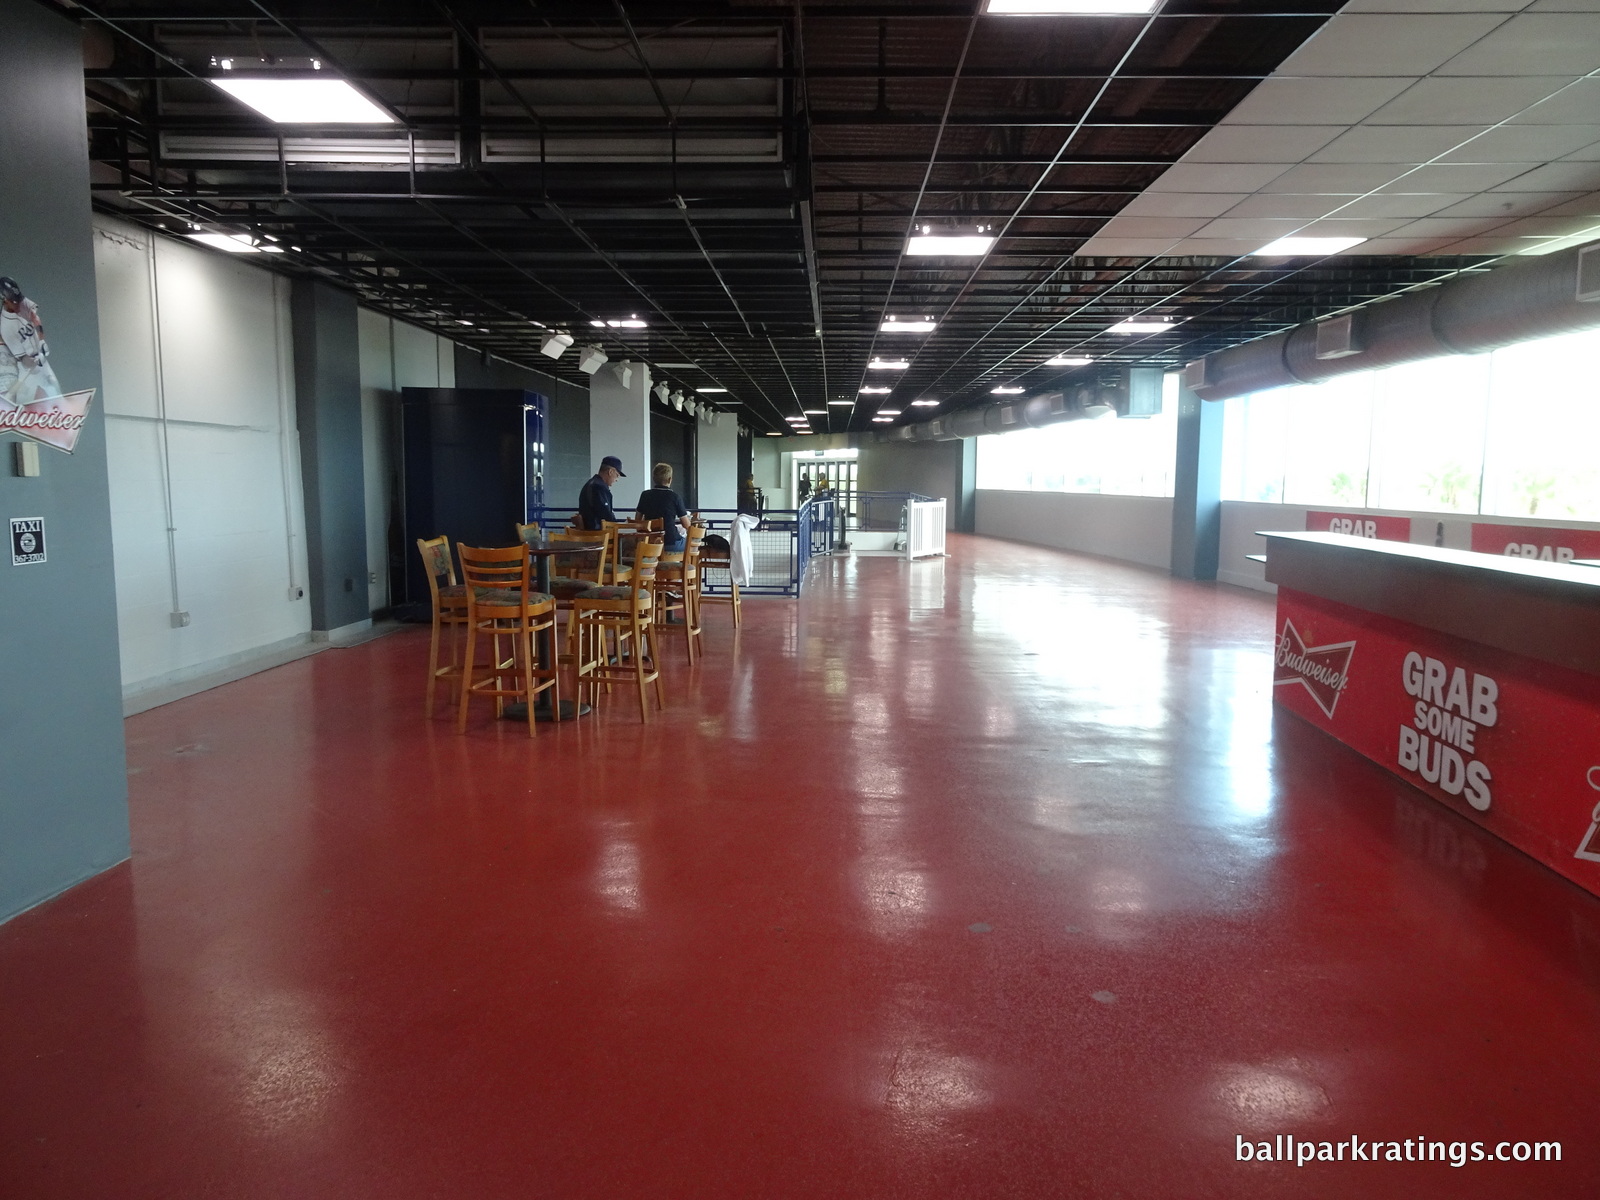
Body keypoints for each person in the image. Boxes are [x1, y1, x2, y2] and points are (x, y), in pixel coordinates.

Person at [0, 276, 61, 408]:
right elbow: (23, 358)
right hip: (27, 367)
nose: (18, 304)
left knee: (55, 391)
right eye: (13, 302)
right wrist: (35, 360)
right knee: (29, 405)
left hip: (40, 358)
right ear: (4, 300)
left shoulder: (21, 301)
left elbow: (35, 318)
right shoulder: (6, 328)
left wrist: (41, 340)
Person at [634, 462, 689, 553]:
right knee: (691, 544)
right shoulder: (675, 497)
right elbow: (686, 525)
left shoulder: (645, 495)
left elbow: (638, 520)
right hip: (670, 543)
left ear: (653, 479)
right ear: (670, 479)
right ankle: (684, 566)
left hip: (650, 543)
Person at [577, 456, 625, 530]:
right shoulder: (599, 487)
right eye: (617, 475)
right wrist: (620, 525)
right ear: (610, 472)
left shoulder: (590, 484)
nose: (617, 480)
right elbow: (606, 516)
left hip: (589, 534)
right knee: (631, 540)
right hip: (599, 535)